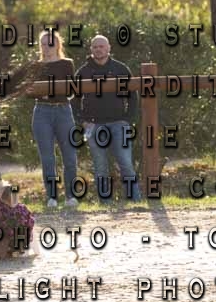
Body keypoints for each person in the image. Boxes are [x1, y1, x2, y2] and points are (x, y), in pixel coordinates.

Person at [15, 31, 80, 209]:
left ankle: (71, 196)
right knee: (48, 158)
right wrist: (37, 92)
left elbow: (71, 89)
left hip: (63, 110)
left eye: (50, 44)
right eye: (43, 44)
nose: (46, 47)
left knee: (70, 156)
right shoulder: (35, 66)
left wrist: (51, 91)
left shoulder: (67, 64)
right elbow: (28, 92)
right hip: (42, 112)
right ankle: (52, 197)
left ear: (57, 44)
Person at [75, 35, 142, 203]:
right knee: (100, 165)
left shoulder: (121, 69)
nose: (98, 49)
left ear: (109, 48)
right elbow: (73, 101)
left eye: (102, 46)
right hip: (93, 125)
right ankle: (106, 203)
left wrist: (128, 119)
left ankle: (135, 201)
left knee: (126, 162)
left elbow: (133, 96)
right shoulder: (83, 72)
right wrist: (82, 121)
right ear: (91, 49)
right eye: (95, 47)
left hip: (119, 123)